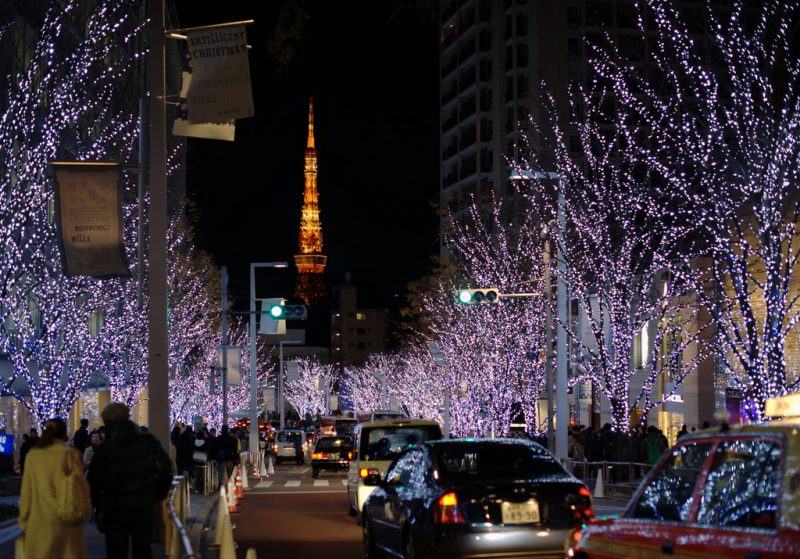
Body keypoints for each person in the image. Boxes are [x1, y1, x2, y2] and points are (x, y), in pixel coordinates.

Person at [88, 402, 172, 559]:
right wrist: (156, 495)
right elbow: (165, 470)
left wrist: (98, 505)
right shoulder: (148, 441)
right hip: (143, 504)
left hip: (114, 507)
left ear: (106, 422)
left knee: (116, 551)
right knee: (143, 549)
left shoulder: (105, 449)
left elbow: (95, 480)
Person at [19, 417, 88, 559]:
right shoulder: (70, 454)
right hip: (67, 519)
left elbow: (27, 492)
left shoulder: (33, 456)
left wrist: (24, 520)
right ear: (64, 435)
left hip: (40, 522)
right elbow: (81, 488)